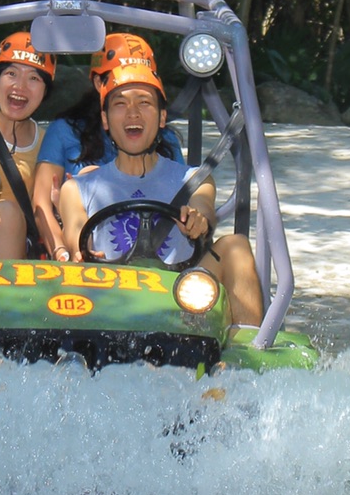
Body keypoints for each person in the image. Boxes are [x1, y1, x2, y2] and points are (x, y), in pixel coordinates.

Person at [58, 52, 265, 325]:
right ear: (106, 120)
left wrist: (197, 219)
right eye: (120, 104)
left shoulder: (193, 179)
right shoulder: (78, 188)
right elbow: (74, 229)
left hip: (181, 294)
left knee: (236, 245)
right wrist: (79, 248)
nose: (133, 112)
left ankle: (245, 353)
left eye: (144, 103)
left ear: (162, 117)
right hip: (108, 292)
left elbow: (203, 208)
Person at [31, 33, 183, 260]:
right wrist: (62, 250)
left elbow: (185, 198)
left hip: (158, 253)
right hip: (82, 251)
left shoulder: (165, 139)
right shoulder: (65, 130)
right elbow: (41, 202)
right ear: (98, 83)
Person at [0, 31, 55, 258]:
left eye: (34, 78)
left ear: (45, 90)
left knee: (7, 214)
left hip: (16, 248)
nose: (20, 86)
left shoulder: (51, 143)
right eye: (11, 73)